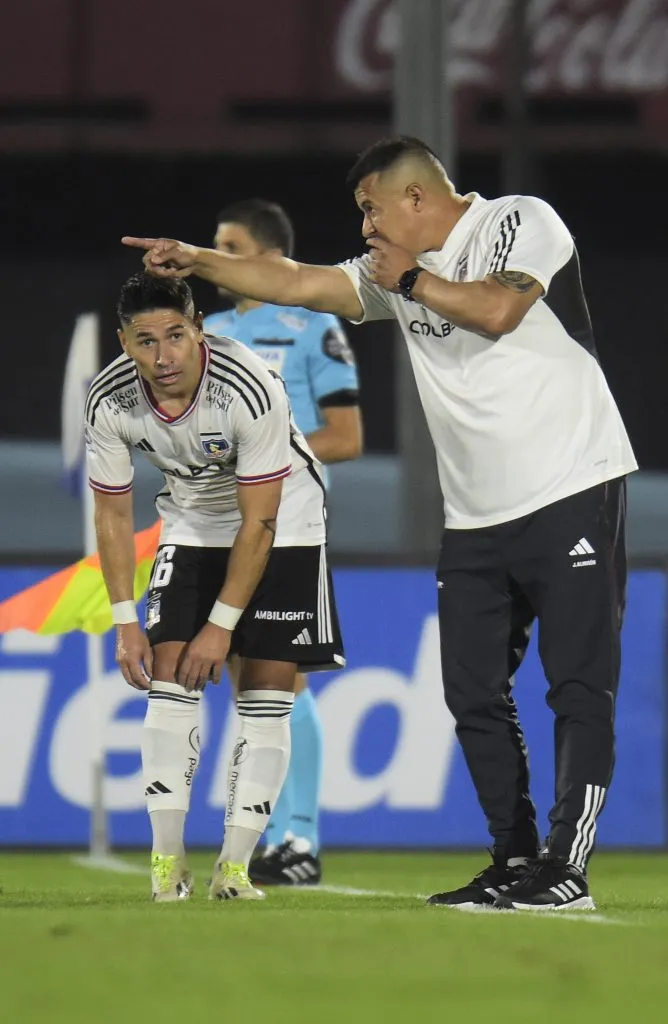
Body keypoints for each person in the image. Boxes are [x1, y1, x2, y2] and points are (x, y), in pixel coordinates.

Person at [123, 135, 637, 912]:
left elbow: (498, 308)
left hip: (572, 484)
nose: (364, 227)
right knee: (470, 689)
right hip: (474, 515)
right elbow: (295, 279)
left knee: (576, 686)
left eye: (370, 209)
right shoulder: (393, 275)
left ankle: (566, 867)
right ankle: (513, 857)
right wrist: (198, 260)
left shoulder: (517, 220)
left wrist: (412, 281)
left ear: (417, 200)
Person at [85, 271, 343, 902]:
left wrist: (219, 628)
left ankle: (234, 868)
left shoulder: (249, 386)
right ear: (124, 343)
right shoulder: (109, 400)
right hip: (192, 520)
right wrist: (125, 621)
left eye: (177, 334)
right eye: (145, 341)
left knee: (266, 688)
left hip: (285, 522)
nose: (163, 355)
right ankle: (166, 864)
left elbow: (260, 520)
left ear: (200, 329)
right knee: (168, 676)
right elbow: (113, 515)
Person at [203, 199, 362, 886]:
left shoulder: (309, 324)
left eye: (229, 245)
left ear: (270, 257)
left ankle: (302, 838)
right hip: (216, 523)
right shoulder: (200, 333)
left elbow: (347, 436)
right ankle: (266, 836)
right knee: (244, 682)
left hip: (287, 522)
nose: (216, 257)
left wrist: (267, 459)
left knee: (283, 676)